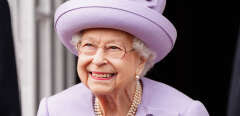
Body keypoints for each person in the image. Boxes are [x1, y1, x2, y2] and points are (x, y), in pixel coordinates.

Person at [37, 0, 209, 115]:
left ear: (141, 60)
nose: (97, 60)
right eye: (88, 45)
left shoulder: (183, 112)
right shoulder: (53, 110)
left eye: (113, 48)